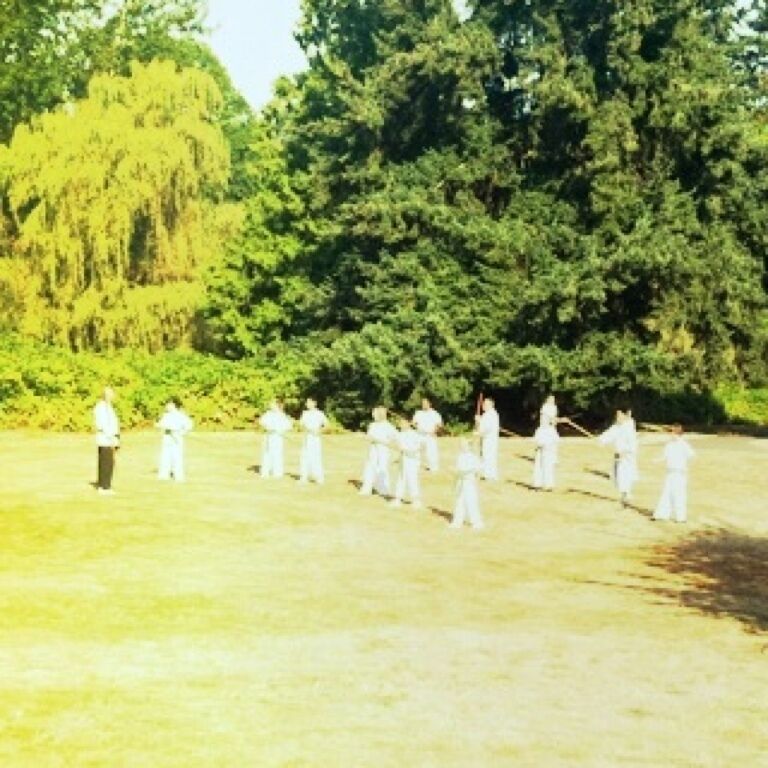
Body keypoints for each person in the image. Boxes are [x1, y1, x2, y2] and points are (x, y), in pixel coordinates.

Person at [653, 424, 695, 523]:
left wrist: (682, 464)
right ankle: (661, 514)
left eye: (672, 432)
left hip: (680, 473)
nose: (671, 434)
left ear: (678, 433)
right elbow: (664, 456)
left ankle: (681, 517)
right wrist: (656, 460)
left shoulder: (684, 444)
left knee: (679, 494)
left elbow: (691, 455)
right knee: (666, 492)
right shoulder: (669, 445)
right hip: (670, 472)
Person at [598, 410, 638, 508]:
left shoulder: (629, 427)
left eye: (620, 416)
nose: (618, 418)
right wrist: (601, 439)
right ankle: (624, 495)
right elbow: (609, 434)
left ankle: (626, 496)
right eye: (617, 416)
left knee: (625, 475)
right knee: (617, 476)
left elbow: (633, 445)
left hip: (627, 456)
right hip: (618, 455)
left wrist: (624, 452)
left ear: (626, 415)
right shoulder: (617, 426)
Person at [359, 406, 398, 496]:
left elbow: (395, 439)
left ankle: (383, 489)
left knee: (382, 468)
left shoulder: (389, 426)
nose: (374, 416)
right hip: (373, 449)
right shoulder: (372, 425)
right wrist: (368, 438)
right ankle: (366, 488)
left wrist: (380, 441)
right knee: (370, 467)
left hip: (383, 449)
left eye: (375, 414)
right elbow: (369, 437)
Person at [449, 438, 484, 530]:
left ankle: (477, 522)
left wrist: (475, 479)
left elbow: (478, 470)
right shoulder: (460, 457)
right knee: (459, 502)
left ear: (469, 446)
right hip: (460, 482)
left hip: (469, 483)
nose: (462, 446)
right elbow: (458, 469)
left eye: (465, 445)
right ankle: (457, 521)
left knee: (471, 502)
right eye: (461, 445)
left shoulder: (473, 457)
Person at [156, 399, 193, 482]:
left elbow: (189, 425)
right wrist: (159, 425)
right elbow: (161, 424)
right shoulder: (166, 415)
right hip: (167, 436)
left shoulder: (180, 415)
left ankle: (179, 476)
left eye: (169, 405)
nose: (167, 406)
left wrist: (181, 432)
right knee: (165, 456)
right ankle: (164, 475)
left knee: (177, 456)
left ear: (174, 405)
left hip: (176, 436)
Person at [391, 417, 423, 508]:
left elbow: (418, 448)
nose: (401, 425)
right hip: (403, 460)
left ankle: (416, 500)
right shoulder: (400, 435)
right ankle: (397, 499)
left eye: (403, 423)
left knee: (412, 479)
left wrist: (406, 450)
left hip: (412, 460)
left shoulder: (414, 434)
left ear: (409, 424)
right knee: (401, 478)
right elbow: (397, 445)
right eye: (400, 423)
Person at [93, 386, 120, 495]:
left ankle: (106, 485)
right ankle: (103, 486)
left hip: (111, 438)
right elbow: (102, 424)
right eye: (108, 394)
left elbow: (114, 423)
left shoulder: (109, 407)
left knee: (110, 462)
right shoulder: (100, 407)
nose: (110, 396)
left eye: (111, 394)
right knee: (105, 462)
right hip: (105, 438)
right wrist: (110, 437)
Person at [259, 400, 293, 478]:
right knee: (267, 453)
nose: (271, 406)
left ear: (277, 405)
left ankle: (277, 472)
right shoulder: (268, 414)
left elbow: (288, 425)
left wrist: (280, 430)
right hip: (268, 435)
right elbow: (262, 422)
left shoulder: (282, 415)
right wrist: (266, 428)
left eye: (273, 404)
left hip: (277, 437)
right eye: (271, 404)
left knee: (277, 454)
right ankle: (265, 472)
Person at [299, 397, 328, 484]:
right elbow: (301, 425)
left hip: (316, 438)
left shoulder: (319, 414)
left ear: (314, 403)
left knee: (316, 457)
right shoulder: (305, 413)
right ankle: (304, 476)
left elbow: (327, 425)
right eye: (307, 402)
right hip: (307, 437)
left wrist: (319, 431)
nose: (307, 404)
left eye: (309, 402)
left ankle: (319, 477)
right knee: (305, 456)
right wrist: (307, 429)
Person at [412, 397, 443, 472]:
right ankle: (416, 466)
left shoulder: (434, 413)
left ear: (429, 404)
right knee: (417, 451)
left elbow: (440, 424)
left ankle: (433, 467)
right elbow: (413, 423)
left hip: (430, 435)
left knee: (431, 452)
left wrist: (434, 431)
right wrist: (416, 427)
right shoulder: (418, 413)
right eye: (423, 403)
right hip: (419, 435)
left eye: (425, 403)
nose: (424, 405)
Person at [475, 397, 500, 481]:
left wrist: (479, 422)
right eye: (483, 404)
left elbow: (487, 428)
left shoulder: (492, 414)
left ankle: (490, 475)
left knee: (489, 456)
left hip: (490, 440)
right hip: (486, 439)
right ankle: (486, 474)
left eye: (485, 404)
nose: (483, 406)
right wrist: (479, 421)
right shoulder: (487, 414)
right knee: (485, 456)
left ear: (491, 405)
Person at [532, 420, 560, 491]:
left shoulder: (552, 430)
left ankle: (549, 485)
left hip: (548, 451)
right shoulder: (540, 429)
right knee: (538, 467)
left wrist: (548, 445)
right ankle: (538, 484)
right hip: (540, 450)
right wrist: (539, 444)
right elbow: (536, 439)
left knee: (548, 467)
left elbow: (556, 440)